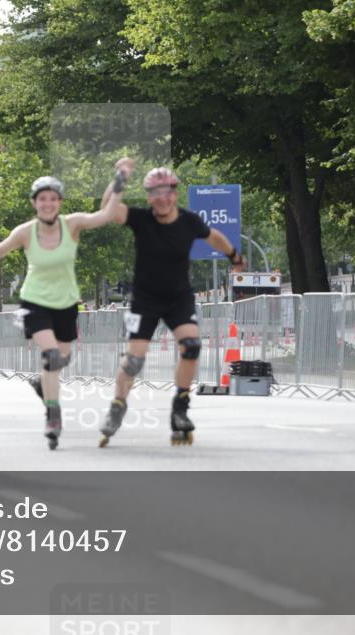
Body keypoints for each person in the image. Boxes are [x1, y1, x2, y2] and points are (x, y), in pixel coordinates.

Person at [0, 158, 134, 450]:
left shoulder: (72, 225)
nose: (47, 204)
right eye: (42, 199)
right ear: (34, 203)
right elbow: (1, 248)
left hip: (66, 302)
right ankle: (52, 415)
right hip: (35, 301)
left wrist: (119, 181)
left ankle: (42, 384)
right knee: (51, 357)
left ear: (59, 202)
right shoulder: (26, 231)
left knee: (62, 359)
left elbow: (106, 214)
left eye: (52, 199)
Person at [98, 167, 245, 447]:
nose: (162, 198)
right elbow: (108, 208)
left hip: (178, 297)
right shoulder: (141, 219)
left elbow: (213, 236)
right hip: (145, 300)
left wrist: (233, 255)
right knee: (134, 359)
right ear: (149, 197)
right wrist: (119, 178)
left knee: (191, 346)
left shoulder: (189, 221)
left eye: (167, 192)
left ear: (175, 194)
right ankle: (117, 406)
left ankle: (180, 409)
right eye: (155, 193)